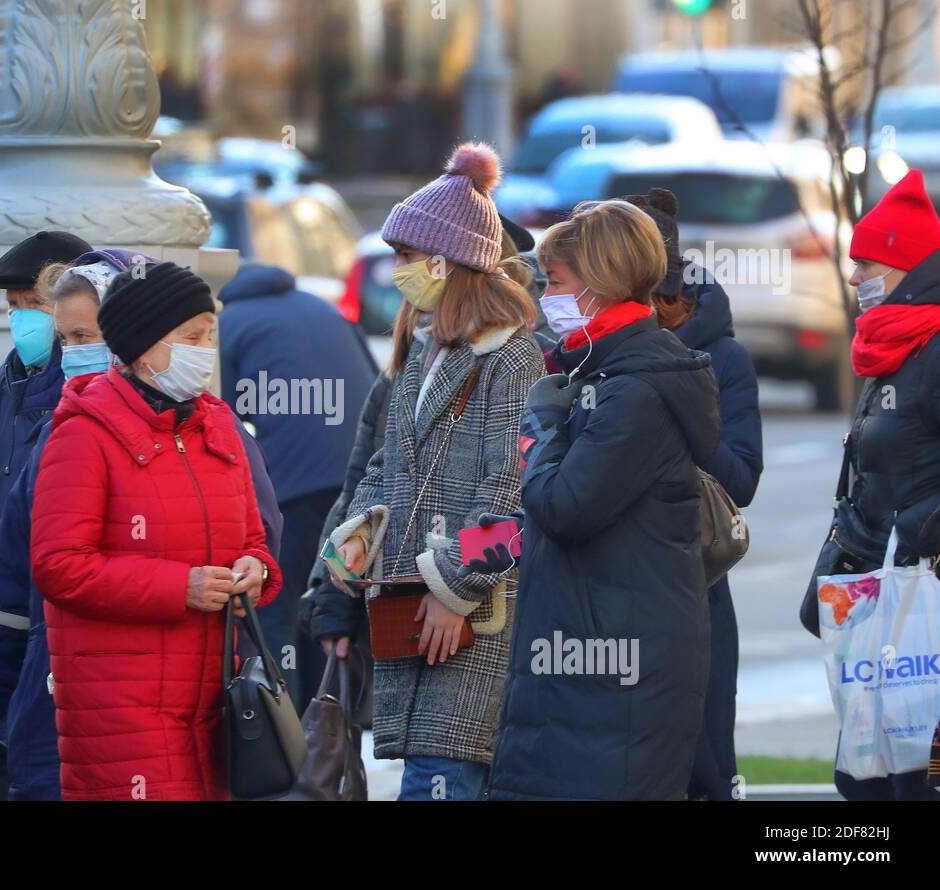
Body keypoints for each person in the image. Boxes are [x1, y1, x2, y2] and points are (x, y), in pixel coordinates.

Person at [0, 250, 285, 800]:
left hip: (212, 705)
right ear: (143, 345)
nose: (204, 351)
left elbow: (254, 536)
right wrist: (178, 587)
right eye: (191, 336)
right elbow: (57, 565)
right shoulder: (84, 432)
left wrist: (255, 569)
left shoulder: (220, 427)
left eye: (209, 335)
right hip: (121, 711)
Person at [323, 143, 545, 801]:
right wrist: (346, 551)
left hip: (472, 621)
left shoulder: (513, 357)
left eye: (405, 257)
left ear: (446, 261)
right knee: (430, 773)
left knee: (439, 779)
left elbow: (511, 501)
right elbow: (388, 466)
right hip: (408, 614)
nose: (395, 271)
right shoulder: (429, 352)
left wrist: (454, 590)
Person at [484, 199, 721, 800]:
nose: (545, 300)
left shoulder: (635, 389)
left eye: (556, 283)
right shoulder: (599, 373)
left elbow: (565, 507)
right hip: (580, 661)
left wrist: (538, 428)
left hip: (615, 674)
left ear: (598, 284)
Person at [0, 229, 91, 799]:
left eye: (36, 306)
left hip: (54, 662)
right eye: (15, 308)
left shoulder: (92, 400)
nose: (24, 320)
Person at [626, 188, 764, 801]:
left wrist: (679, 407)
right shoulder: (582, 357)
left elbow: (741, 480)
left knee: (700, 767)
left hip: (692, 588)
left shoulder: (722, 358)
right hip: (606, 595)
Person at [826, 170, 940, 801]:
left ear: (903, 265)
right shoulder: (889, 345)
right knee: (863, 778)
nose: (852, 276)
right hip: (876, 599)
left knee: (911, 783)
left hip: (925, 606)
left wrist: (919, 525)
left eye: (864, 262)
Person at [217, 262, 375, 707]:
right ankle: (328, 733)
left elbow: (217, 418)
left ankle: (283, 743)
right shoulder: (323, 309)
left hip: (290, 491)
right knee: (325, 604)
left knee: (275, 613)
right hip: (356, 488)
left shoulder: (228, 325)